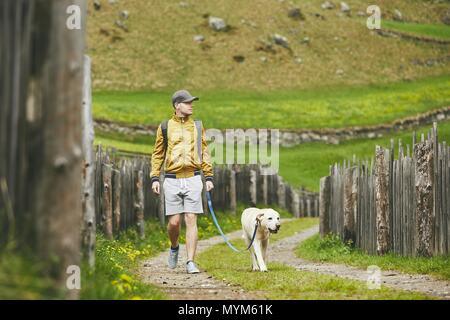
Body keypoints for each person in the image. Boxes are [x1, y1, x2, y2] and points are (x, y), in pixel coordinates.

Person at [150, 89, 214, 274]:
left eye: (191, 102)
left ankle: (190, 262)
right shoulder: (165, 126)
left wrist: (208, 176)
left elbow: (204, 151)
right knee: (175, 223)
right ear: (177, 106)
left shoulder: (198, 126)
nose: (191, 105)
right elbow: (157, 154)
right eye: (187, 102)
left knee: (191, 218)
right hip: (171, 179)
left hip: (193, 177)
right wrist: (155, 177)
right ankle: (174, 246)